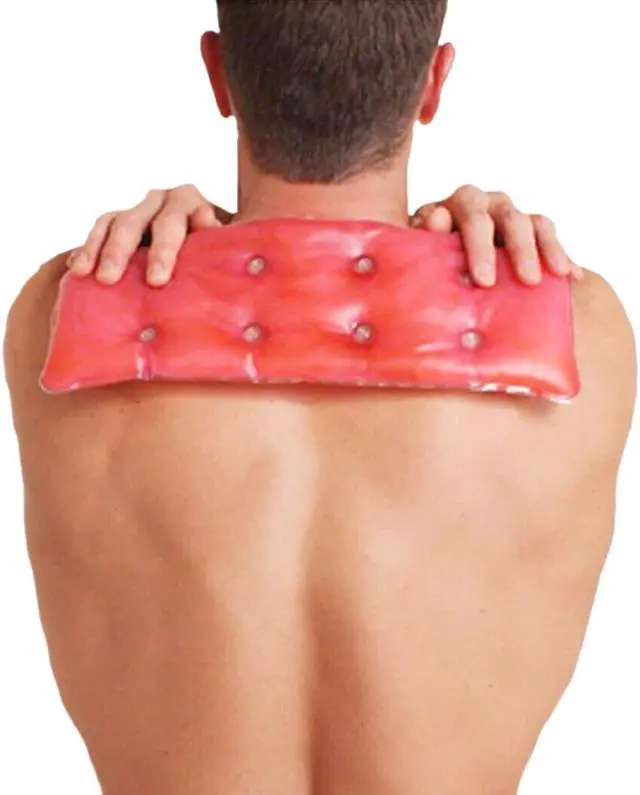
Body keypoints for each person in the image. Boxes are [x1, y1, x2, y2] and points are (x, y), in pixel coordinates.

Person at [4, 1, 636, 794]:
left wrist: (211, 239)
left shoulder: (54, 316)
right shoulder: (585, 332)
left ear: (218, 74)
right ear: (434, 83)